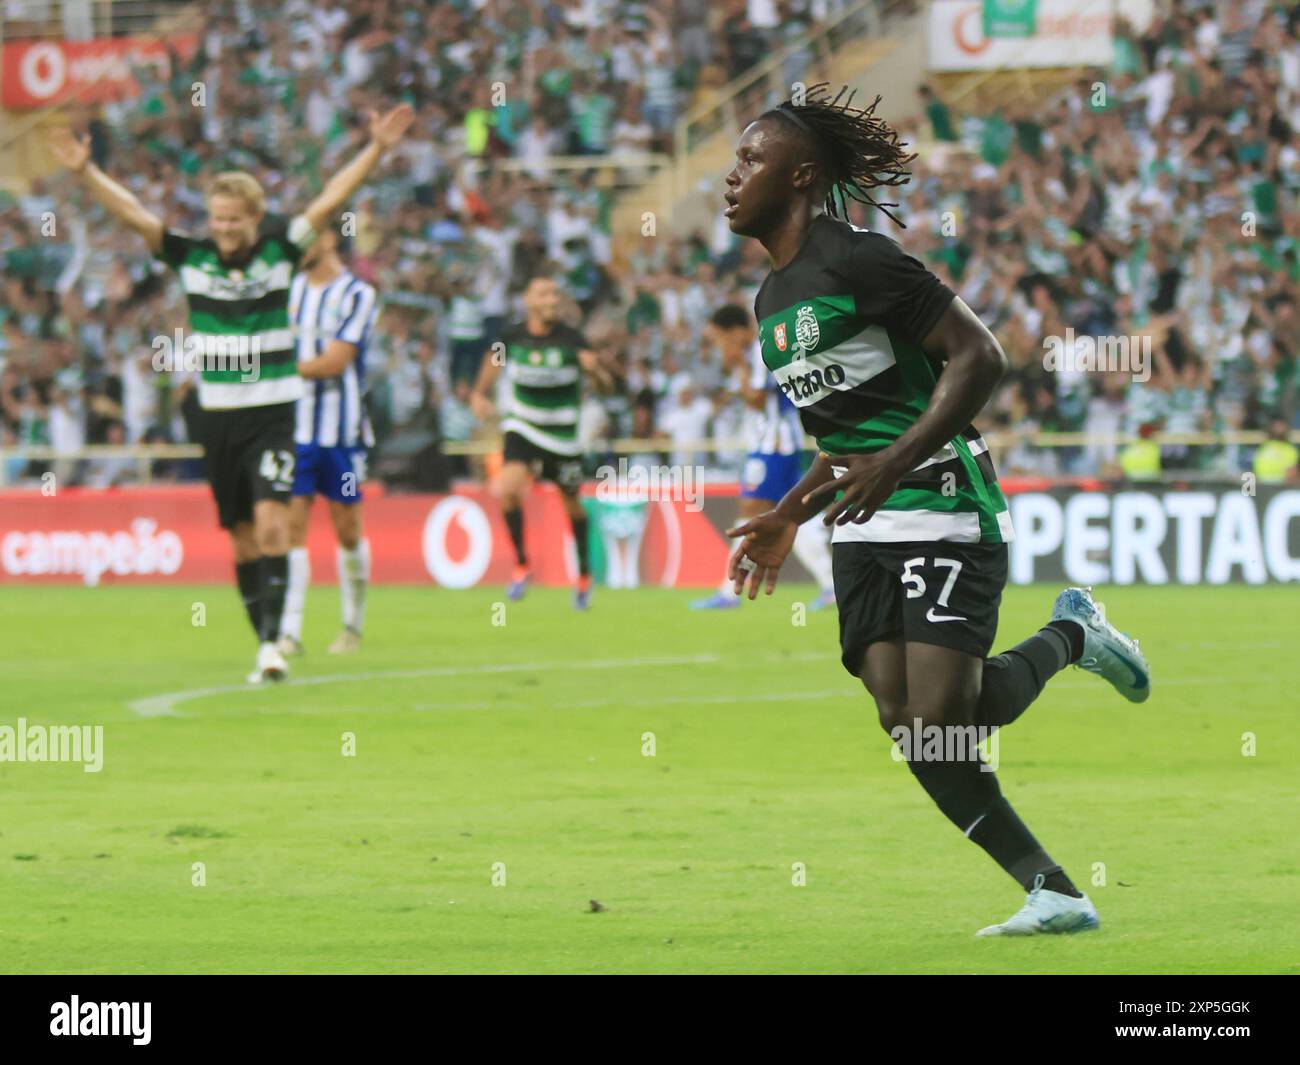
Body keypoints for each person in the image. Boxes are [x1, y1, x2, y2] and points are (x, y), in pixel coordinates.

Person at [721, 84, 1151, 936]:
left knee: (948, 713)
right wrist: (791, 513)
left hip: (944, 500)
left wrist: (897, 459)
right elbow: (843, 434)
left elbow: (979, 357)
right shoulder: (771, 301)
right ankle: (1053, 889)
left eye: (748, 160)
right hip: (866, 520)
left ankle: (1075, 634)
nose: (730, 178)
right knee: (908, 723)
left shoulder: (862, 261)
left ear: (800, 175)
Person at [49, 105, 412, 683]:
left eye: (233, 221)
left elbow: (328, 201)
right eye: (217, 220)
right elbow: (134, 214)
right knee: (241, 541)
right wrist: (85, 173)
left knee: (273, 523)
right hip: (216, 419)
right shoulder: (191, 257)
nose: (223, 230)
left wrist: (375, 150)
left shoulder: (280, 252)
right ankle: (264, 637)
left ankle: (272, 646)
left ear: (255, 218)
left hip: (272, 413)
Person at [470, 276, 615, 609]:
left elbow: (606, 389)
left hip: (563, 436)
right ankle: (521, 565)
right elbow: (493, 362)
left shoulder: (573, 340)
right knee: (507, 489)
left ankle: (583, 575)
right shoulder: (512, 336)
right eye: (543, 294)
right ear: (529, 301)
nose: (551, 300)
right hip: (523, 426)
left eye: (554, 294)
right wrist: (479, 393)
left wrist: (596, 374)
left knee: (571, 504)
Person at [691, 303, 835, 610]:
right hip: (771, 444)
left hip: (774, 445)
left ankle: (730, 591)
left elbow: (756, 400)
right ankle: (829, 584)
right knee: (790, 514)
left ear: (737, 332)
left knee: (754, 511)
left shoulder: (757, 353)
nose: (721, 346)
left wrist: (739, 367)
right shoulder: (752, 355)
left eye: (721, 338)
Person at [278, 229, 378, 658]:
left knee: (347, 529)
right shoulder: (289, 288)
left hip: (342, 435)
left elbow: (337, 361)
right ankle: (289, 632)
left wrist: (278, 372)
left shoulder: (358, 293)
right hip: (295, 430)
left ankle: (352, 626)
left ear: (326, 239)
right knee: (291, 528)